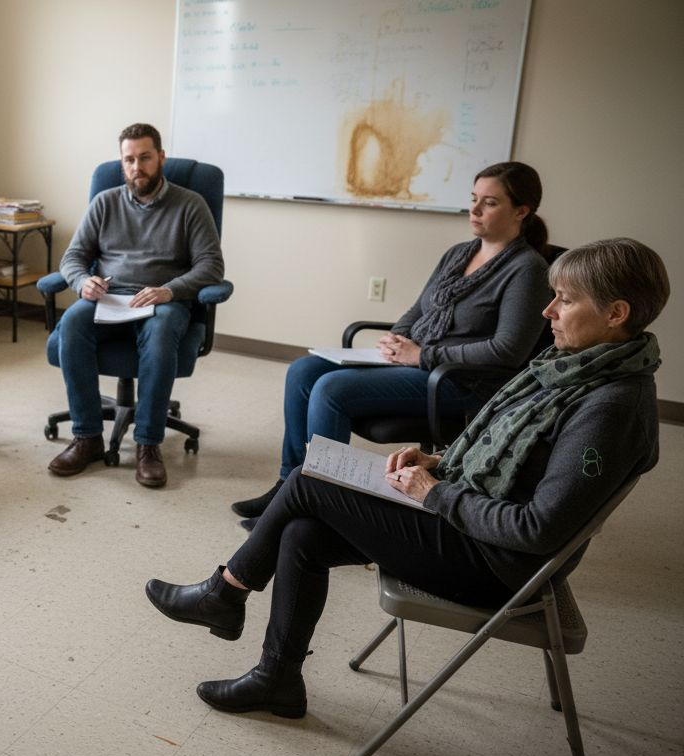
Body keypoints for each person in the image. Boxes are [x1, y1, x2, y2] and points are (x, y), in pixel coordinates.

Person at [145, 238, 668, 717]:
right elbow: (520, 459)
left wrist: (435, 492)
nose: (548, 310)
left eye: (565, 300)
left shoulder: (610, 406)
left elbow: (539, 529)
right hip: (471, 520)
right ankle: (276, 678)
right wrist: (440, 463)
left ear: (615, 313)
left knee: (308, 481)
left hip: (494, 564)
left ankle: (225, 593)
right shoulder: (574, 366)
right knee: (304, 532)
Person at [233, 161, 554, 527]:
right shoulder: (459, 253)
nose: (475, 209)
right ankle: (288, 483)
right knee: (303, 370)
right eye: (473, 198)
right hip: (417, 363)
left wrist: (423, 354)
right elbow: (419, 308)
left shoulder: (527, 269)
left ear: (521, 211)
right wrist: (397, 337)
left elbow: (507, 350)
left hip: (462, 382)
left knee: (330, 389)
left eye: (490, 202)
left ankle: (317, 507)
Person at [48, 123, 225, 488]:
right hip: (112, 296)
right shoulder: (105, 202)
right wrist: (84, 282)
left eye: (144, 158)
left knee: (160, 336)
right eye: (129, 159)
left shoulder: (190, 205)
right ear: (121, 162)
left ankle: (148, 444)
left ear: (160, 157)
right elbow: (72, 258)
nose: (136, 167)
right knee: (73, 323)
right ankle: (87, 438)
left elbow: (211, 266)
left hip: (162, 300)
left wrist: (170, 290)